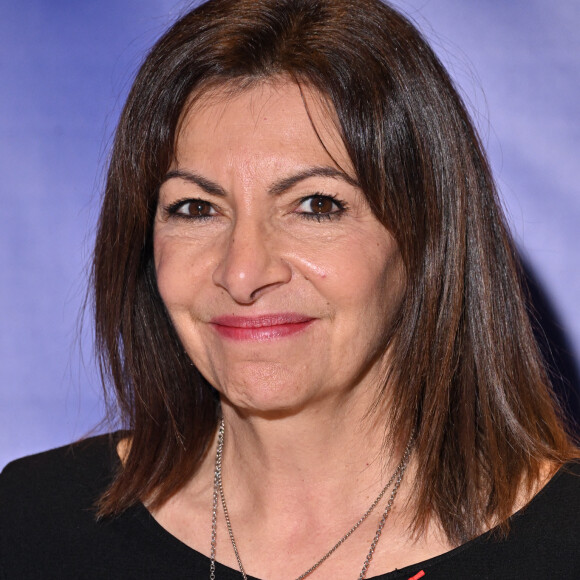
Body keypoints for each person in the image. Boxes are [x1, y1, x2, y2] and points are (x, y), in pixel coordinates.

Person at [1, 0, 578, 578]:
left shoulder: (563, 542)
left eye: (317, 206)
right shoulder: (34, 521)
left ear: (428, 237)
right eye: (196, 208)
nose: (243, 273)